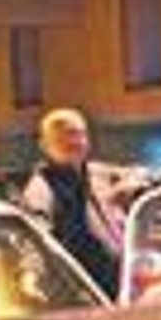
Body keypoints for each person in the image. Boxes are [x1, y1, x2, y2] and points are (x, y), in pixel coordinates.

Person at [21, 107, 147, 296]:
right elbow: (35, 241)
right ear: (45, 145)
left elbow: (143, 172)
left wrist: (131, 182)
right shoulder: (41, 189)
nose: (75, 141)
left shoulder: (98, 173)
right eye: (64, 136)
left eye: (80, 134)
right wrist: (33, 275)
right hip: (86, 293)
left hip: (122, 285)